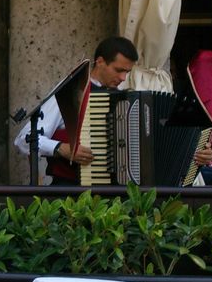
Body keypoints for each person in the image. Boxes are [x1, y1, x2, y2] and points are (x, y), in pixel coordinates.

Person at [14, 36, 138, 185]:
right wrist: (60, 148)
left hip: (112, 194)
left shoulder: (123, 99)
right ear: (100, 62)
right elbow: (25, 138)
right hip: (70, 192)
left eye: (127, 72)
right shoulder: (72, 90)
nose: (123, 78)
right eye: (118, 70)